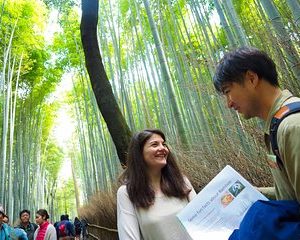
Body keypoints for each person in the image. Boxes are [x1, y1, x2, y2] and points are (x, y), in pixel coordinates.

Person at [213, 47, 300, 202]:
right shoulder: (277, 125)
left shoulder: (292, 127)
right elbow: (290, 193)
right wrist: (249, 192)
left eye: (227, 91)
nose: (228, 103)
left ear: (251, 78)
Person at [117, 129, 196, 240]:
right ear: (139, 153)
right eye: (154, 144)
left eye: (163, 144)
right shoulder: (127, 193)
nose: (163, 148)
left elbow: (203, 220)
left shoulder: (181, 182)